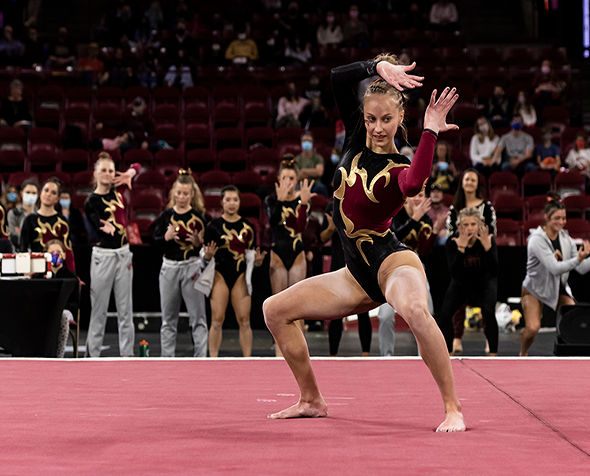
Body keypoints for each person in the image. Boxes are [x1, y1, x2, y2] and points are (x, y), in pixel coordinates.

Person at [263, 54, 465, 432]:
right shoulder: (356, 138)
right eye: (371, 119)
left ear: (400, 118)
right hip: (354, 275)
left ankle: (453, 408)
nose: (376, 127)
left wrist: (430, 131)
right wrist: (375, 67)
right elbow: (337, 78)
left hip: (392, 263)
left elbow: (414, 184)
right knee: (274, 310)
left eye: (386, 119)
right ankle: (311, 400)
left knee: (415, 311)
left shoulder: (400, 167)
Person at [153, 170, 217, 357]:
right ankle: (167, 359)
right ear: (174, 193)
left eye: (185, 194)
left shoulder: (199, 217)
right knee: (168, 319)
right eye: (179, 193)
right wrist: (165, 238)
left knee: (198, 318)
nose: (181, 197)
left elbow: (208, 247)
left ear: (192, 194)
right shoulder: (166, 216)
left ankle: (201, 358)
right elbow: (154, 245)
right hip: (170, 267)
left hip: (191, 266)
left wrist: (198, 243)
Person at [84, 153, 140, 357]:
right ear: (95, 173)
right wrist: (107, 229)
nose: (107, 174)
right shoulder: (91, 201)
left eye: (111, 170)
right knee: (99, 309)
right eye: (104, 170)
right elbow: (98, 230)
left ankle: (127, 354)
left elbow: (138, 165)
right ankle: (92, 354)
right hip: (103, 255)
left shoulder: (119, 191)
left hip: (123, 254)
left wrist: (129, 174)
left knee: (125, 309)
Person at [379, 188, 447, 356]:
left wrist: (435, 232)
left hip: (414, 268)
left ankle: (424, 357)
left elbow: (424, 251)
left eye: (421, 195)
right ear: (406, 197)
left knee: (427, 313)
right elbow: (392, 239)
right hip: (390, 268)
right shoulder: (394, 214)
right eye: (414, 194)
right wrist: (414, 219)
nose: (417, 198)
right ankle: (386, 356)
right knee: (385, 316)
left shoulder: (426, 220)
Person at [520, 192, 590, 356]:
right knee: (532, 328)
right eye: (557, 218)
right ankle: (523, 353)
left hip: (557, 289)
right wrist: (578, 259)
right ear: (546, 217)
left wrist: (581, 259)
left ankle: (566, 354)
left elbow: (580, 268)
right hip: (535, 289)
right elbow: (555, 268)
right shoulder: (536, 240)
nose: (561, 222)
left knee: (572, 317)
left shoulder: (566, 239)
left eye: (563, 218)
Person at [204, 185, 266, 357]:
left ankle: (247, 359)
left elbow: (251, 255)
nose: (231, 203)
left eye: (235, 200)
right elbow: (205, 256)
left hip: (240, 275)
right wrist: (207, 257)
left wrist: (258, 262)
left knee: (245, 320)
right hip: (220, 274)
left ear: (239, 202)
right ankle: (212, 359)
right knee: (217, 320)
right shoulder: (213, 226)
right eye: (228, 200)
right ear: (222, 202)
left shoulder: (248, 226)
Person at [264, 160, 313, 354]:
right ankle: (279, 351)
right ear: (278, 178)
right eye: (284, 178)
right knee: (278, 305)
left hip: (296, 253)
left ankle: (300, 351)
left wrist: (305, 204)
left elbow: (300, 227)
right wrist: (281, 200)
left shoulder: (303, 198)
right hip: (278, 253)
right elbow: (273, 223)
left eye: (292, 178)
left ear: (297, 179)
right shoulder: (271, 199)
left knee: (298, 306)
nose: (288, 182)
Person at [439, 207, 499, 355]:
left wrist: (488, 248)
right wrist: (461, 248)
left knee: (489, 311)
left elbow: (494, 271)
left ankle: (493, 353)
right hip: (462, 282)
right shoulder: (452, 242)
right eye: (465, 225)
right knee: (445, 313)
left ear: (480, 225)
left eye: (473, 224)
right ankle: (448, 352)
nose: (470, 228)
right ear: (459, 226)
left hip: (484, 281)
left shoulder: (488, 239)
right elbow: (454, 273)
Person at [322, 201, 373, 357]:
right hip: (338, 267)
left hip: (359, 265)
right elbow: (322, 238)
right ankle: (332, 355)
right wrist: (331, 227)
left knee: (363, 312)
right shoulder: (331, 207)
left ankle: (366, 354)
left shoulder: (360, 203)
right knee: (336, 314)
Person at [20, 177, 76, 271]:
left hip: (57, 268)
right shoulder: (30, 220)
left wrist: (72, 274)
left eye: (53, 192)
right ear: (40, 193)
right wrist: (24, 271)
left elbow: (68, 251)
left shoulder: (62, 221)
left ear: (57, 199)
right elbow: (23, 250)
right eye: (46, 190)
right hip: (37, 269)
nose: (48, 194)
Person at [45, 239, 80, 358]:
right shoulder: (41, 275)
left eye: (59, 252)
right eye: (51, 253)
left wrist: (59, 307)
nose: (55, 255)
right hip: (46, 310)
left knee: (64, 316)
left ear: (64, 255)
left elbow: (76, 303)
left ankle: (59, 356)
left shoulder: (71, 277)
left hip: (65, 310)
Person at [293, 132, 328, 197]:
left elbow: (319, 172)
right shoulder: (296, 159)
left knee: (321, 187)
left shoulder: (318, 158)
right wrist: (312, 173)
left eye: (309, 141)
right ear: (301, 143)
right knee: (295, 188)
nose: (307, 142)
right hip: (301, 184)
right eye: (304, 140)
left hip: (315, 184)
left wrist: (303, 171)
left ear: (312, 143)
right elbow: (297, 176)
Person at [7, 178, 39, 251]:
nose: (30, 195)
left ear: (37, 195)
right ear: (21, 193)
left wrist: (22, 234)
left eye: (33, 193)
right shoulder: (13, 214)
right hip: (17, 252)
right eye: (28, 192)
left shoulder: (40, 216)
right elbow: (14, 237)